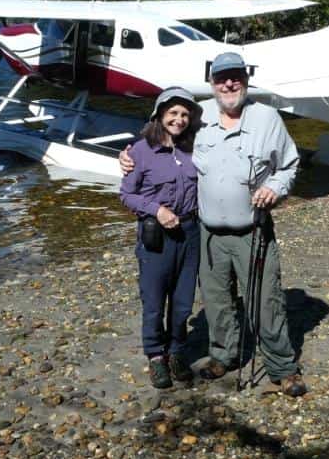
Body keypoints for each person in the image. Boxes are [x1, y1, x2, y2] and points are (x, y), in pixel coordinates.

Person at [121, 52, 307, 396]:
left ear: (246, 80)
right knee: (216, 300)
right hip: (206, 233)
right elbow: (162, 137)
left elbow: (289, 166)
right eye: (222, 78)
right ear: (212, 83)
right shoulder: (199, 115)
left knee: (265, 301)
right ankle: (224, 354)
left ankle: (282, 366)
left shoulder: (267, 118)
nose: (229, 84)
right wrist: (128, 154)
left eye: (236, 77)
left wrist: (275, 188)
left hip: (253, 230)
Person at [120, 87, 202, 389]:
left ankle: (177, 351)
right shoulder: (140, 152)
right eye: (173, 113)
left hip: (190, 233)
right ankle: (156, 356)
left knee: (183, 302)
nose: (179, 120)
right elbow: (126, 195)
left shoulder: (195, 148)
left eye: (185, 115)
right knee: (154, 301)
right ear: (159, 115)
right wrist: (157, 210)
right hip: (156, 236)